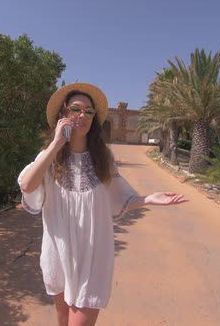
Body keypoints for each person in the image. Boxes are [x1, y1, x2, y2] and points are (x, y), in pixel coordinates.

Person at [18, 82, 188, 326]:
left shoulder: (103, 158)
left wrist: (148, 199)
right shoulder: (48, 158)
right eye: (75, 109)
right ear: (63, 114)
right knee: (63, 319)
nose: (82, 116)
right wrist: (56, 144)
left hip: (93, 257)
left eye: (89, 112)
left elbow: (118, 198)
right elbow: (27, 186)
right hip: (58, 255)